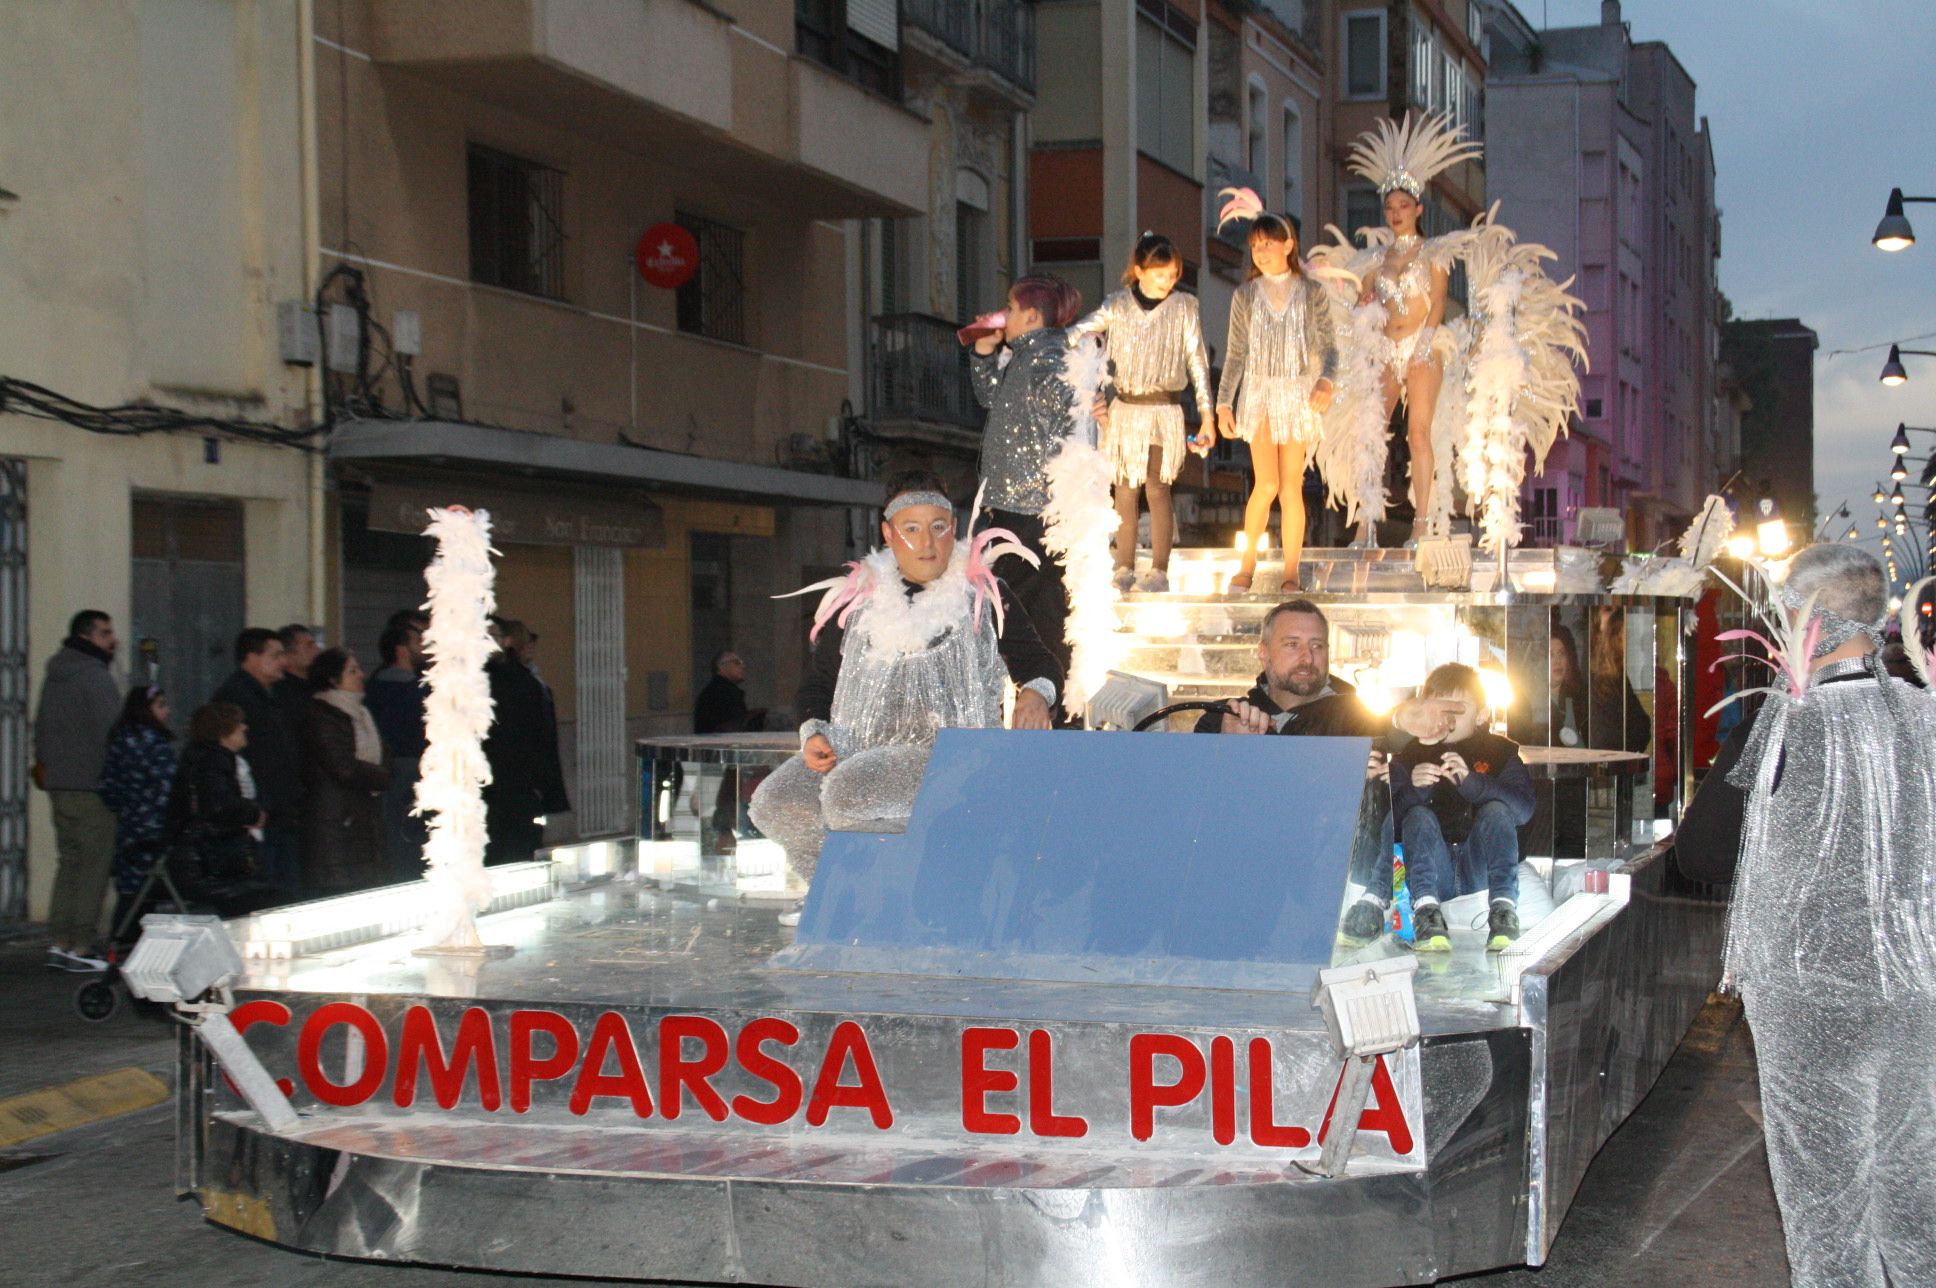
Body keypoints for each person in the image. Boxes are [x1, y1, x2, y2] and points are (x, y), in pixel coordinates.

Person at [1675, 543, 1936, 1286]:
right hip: (1917, 996)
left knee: (1826, 1204)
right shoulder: (1927, 716)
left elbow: (1702, 854)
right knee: (1916, 1193)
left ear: (1809, 620)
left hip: (1810, 998)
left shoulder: (1782, 723)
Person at [750, 470, 1061, 925]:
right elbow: (817, 683)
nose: (927, 542)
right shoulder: (857, 600)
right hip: (857, 745)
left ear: (954, 529)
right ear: (889, 534)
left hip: (948, 753)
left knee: (850, 792)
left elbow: (1038, 660)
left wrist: (1035, 693)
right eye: (912, 529)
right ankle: (834, 892)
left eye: (938, 527)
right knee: (779, 799)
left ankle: (896, 896)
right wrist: (814, 730)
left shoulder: (981, 592)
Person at [1066, 233, 1215, 594]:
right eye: (1160, 275)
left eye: (1172, 275)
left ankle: (1160, 569)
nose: (1167, 282)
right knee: (1126, 490)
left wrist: (1207, 414)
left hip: (1164, 408)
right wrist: (1049, 346)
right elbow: (1077, 331)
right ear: (1139, 271)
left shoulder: (1184, 307)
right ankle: (1124, 564)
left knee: (1158, 486)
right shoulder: (1116, 305)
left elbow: (1197, 361)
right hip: (1126, 409)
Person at [969, 273, 1083, 683]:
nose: (1005, 316)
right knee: (1016, 619)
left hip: (1030, 519)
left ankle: (1044, 708)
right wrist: (983, 354)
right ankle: (1039, 707)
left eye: (1012, 308)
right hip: (1015, 516)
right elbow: (989, 398)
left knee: (1023, 624)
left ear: (1032, 317)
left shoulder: (1048, 362)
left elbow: (1073, 431)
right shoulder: (1024, 358)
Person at [1214, 214, 1337, 593]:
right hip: (1261, 393)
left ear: (1288, 245)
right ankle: (1246, 565)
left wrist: (1325, 380)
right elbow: (1235, 354)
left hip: (1296, 393)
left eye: (1268, 243)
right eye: (1255, 245)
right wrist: (1223, 404)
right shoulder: (1245, 295)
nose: (1261, 251)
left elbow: (1329, 346)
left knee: (1291, 486)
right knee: (1265, 482)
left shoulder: (1311, 292)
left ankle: (1291, 572)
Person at [1388, 663, 1535, 952]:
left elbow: (1524, 810)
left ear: (1481, 713)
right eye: (1439, 709)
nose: (1447, 719)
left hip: (1481, 868)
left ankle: (1504, 910)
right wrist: (1415, 789)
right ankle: (1427, 914)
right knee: (1417, 816)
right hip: (1434, 871)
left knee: (1497, 810)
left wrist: (1473, 783)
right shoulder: (1409, 755)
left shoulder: (1501, 752)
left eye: (1458, 710)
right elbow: (1387, 824)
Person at [33, 610, 123, 970]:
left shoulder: (55, 674)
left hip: (59, 784)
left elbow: (40, 726)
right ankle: (83, 944)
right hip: (91, 785)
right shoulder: (94, 676)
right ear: (87, 637)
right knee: (93, 865)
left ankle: (60, 938)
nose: (112, 640)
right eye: (105, 633)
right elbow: (112, 732)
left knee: (69, 862)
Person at [211, 629, 302, 893]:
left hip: (278, 807)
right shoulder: (236, 698)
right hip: (259, 810)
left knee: (283, 886)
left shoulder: (270, 696)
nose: (283, 662)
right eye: (275, 656)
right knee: (266, 888)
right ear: (251, 658)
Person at [296, 648, 390, 894]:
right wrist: (384, 777)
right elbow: (343, 767)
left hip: (360, 818)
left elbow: (384, 754)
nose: (361, 675)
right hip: (335, 821)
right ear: (332, 679)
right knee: (341, 891)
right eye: (352, 671)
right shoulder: (321, 715)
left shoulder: (361, 714)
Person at [482, 621, 570, 865]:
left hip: (499, 789)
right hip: (515, 789)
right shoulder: (522, 682)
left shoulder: (518, 681)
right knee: (517, 855)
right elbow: (540, 741)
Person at [165, 701, 266, 891]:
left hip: (206, 855)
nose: (245, 727)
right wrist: (252, 813)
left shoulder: (204, 758)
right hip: (212, 859)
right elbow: (219, 806)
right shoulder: (214, 761)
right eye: (239, 723)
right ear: (224, 731)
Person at [98, 686, 178, 914]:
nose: (167, 711)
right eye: (161, 705)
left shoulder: (120, 740)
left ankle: (122, 938)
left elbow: (107, 786)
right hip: (154, 827)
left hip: (128, 825)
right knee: (149, 889)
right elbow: (169, 789)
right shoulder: (156, 745)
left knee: (131, 890)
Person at [366, 621, 428, 878]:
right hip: (409, 769)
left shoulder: (373, 688)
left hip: (387, 772)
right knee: (410, 838)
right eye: (417, 641)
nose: (424, 646)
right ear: (402, 650)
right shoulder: (415, 690)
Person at [694, 649, 767, 852]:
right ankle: (725, 838)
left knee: (728, 798)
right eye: (736, 662)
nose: (742, 666)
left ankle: (727, 837)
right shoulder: (721, 693)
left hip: (722, 758)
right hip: (722, 758)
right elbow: (729, 726)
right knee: (727, 798)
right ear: (721, 667)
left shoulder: (723, 691)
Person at [272, 623, 320, 711]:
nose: (317, 649)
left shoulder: (320, 684)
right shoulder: (280, 693)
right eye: (309, 645)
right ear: (288, 654)